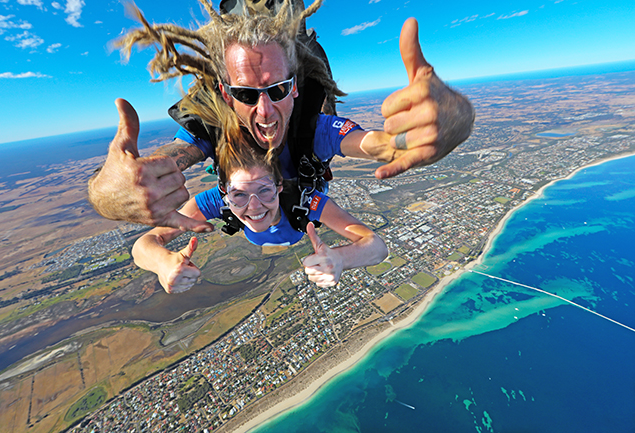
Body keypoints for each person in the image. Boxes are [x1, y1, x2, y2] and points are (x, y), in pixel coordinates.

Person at [88, 0, 475, 232]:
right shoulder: (215, 115)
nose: (265, 111)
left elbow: (376, 145)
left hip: (298, 68)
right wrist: (109, 195)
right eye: (245, 94)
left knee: (289, 40)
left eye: (277, 90)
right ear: (226, 94)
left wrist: (448, 124)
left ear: (294, 87)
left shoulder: (312, 118)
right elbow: (171, 157)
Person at [131, 141, 388, 293]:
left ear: (278, 186)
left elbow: (377, 247)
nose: (254, 207)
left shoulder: (305, 200)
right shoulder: (213, 200)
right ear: (224, 193)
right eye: (240, 194)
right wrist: (162, 263)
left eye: (264, 191)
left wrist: (341, 258)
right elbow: (144, 244)